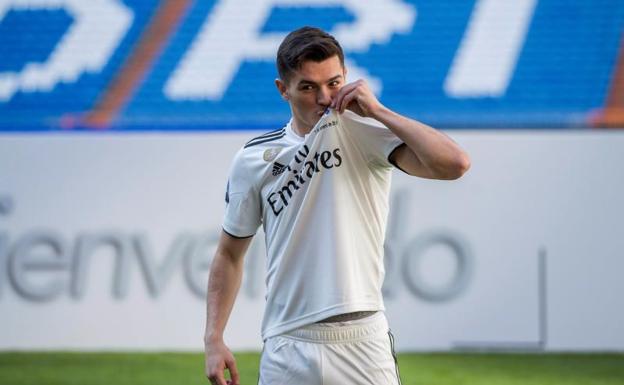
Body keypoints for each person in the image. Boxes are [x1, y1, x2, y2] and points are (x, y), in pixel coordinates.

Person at [204, 26, 470, 385]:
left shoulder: (365, 131)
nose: (324, 98)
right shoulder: (253, 160)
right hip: (288, 342)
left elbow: (455, 164)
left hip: (362, 340)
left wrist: (379, 110)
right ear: (283, 90)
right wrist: (213, 338)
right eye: (308, 87)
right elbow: (229, 254)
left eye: (333, 83)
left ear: (346, 77)